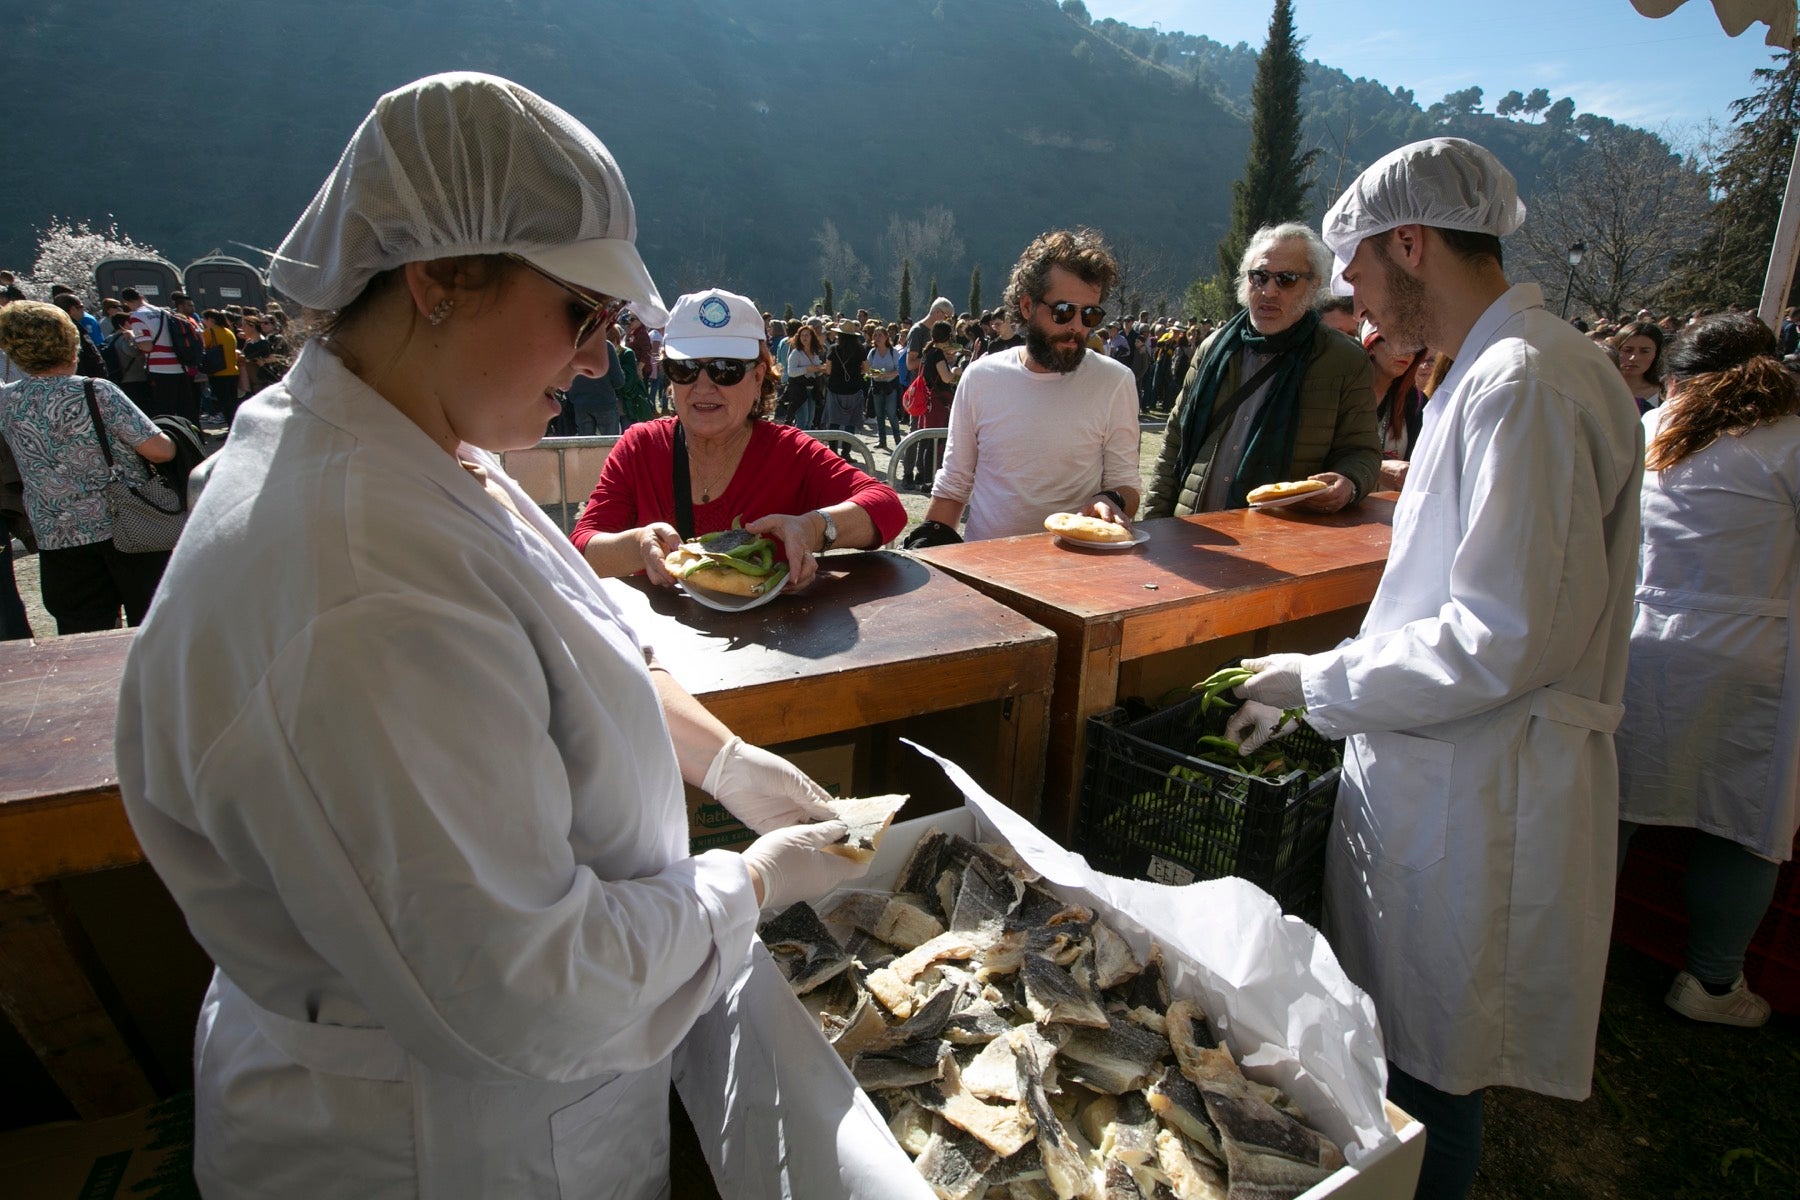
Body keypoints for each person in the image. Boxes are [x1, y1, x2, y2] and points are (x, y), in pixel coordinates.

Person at [113, 73, 869, 1199]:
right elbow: (533, 986)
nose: (599, 356)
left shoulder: (414, 443)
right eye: (582, 314)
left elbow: (572, 626)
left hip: (500, 1099)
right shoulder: (366, 594)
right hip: (435, 1142)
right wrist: (746, 884)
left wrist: (725, 759)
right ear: (439, 281)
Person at [1227, 138, 1643, 1200]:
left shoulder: (1527, 382)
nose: (1356, 297)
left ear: (1410, 243)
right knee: (1410, 1052)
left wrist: (1318, 683)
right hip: (1443, 768)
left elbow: (1499, 634)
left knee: (1432, 1077)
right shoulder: (1497, 370)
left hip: (1480, 792)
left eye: (1358, 270)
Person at [1616, 313, 1800, 1029]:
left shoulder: (1649, 430)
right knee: (1745, 822)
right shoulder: (1790, 444)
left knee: (1615, 806)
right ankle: (1713, 981)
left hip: (1641, 644)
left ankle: (1571, 953)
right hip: (1752, 658)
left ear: (1679, 376)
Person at [573, 287, 904, 591]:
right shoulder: (640, 448)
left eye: (725, 369)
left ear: (758, 377)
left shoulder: (790, 452)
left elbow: (887, 508)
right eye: (685, 368)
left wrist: (814, 529)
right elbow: (581, 548)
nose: (703, 386)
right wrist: (638, 545)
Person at [907, 228, 1140, 545]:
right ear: (1027, 306)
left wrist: (1111, 499)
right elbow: (954, 484)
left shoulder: (1115, 381)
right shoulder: (980, 378)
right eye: (1062, 312)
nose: (1076, 327)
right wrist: (926, 552)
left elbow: (1126, 484)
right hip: (986, 571)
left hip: (1078, 573)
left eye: (1090, 314)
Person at [1144, 223, 1380, 516]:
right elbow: (1174, 443)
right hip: (1196, 533)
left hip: (1281, 541)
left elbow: (1362, 451)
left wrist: (1350, 482)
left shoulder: (1344, 360)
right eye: (1260, 277)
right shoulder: (1213, 348)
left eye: (1287, 279)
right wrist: (1156, 521)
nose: (1269, 291)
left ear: (1314, 284)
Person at [0, 301, 177, 633]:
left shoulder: (6, 400)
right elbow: (158, 451)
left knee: (82, 635)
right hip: (126, 525)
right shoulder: (95, 390)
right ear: (70, 342)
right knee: (152, 627)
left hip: (56, 535)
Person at [1362, 320, 1424, 491]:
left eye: (1414, 346)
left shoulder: (1416, 401)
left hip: (1389, 509)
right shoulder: (1344, 391)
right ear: (1372, 345)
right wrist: (1377, 468)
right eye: (1398, 342)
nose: (1407, 352)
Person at [123, 286, 199, 424]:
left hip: (160, 367)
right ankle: (194, 437)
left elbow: (146, 345)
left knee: (165, 409)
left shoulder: (137, 316)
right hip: (180, 363)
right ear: (142, 297)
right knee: (186, 406)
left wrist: (132, 337)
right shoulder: (163, 312)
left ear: (127, 302)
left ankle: (171, 437)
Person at [822, 319, 866, 437]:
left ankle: (833, 449)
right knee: (850, 422)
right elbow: (866, 369)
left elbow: (828, 370)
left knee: (833, 421)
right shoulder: (860, 349)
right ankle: (846, 451)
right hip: (854, 388)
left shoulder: (833, 349)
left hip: (835, 388)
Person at [1610, 320, 1665, 413]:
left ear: (1656, 354)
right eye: (1627, 350)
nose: (1633, 358)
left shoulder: (1665, 394)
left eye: (1644, 351)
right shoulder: (1600, 388)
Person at [202, 309, 242, 427]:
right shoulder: (229, 332)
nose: (203, 322)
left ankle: (231, 429)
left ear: (211, 319)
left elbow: (202, 347)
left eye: (205, 319)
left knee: (225, 405)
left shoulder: (210, 332)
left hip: (219, 373)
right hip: (233, 372)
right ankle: (234, 427)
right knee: (233, 404)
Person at [864, 323, 901, 449]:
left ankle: (898, 440)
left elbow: (899, 370)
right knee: (879, 415)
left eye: (880, 335)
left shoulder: (893, 352)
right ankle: (882, 440)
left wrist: (886, 375)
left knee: (891, 414)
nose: (877, 338)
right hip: (877, 386)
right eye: (876, 335)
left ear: (886, 337)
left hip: (890, 387)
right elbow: (867, 370)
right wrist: (874, 374)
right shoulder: (872, 353)